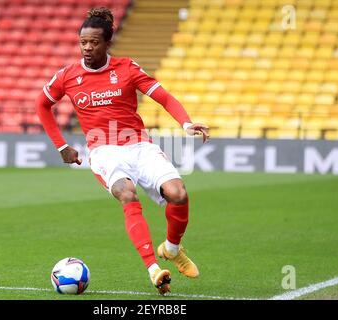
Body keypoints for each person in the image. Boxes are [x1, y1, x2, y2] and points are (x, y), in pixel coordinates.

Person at [36, 7, 209, 295]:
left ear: (107, 43)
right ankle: (154, 269)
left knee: (178, 194)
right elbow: (41, 105)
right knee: (127, 194)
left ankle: (172, 248)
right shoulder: (67, 76)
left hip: (140, 145)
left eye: (93, 42)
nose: (87, 48)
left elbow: (163, 96)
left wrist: (186, 122)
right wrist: (62, 146)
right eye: (82, 42)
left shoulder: (127, 68)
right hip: (104, 152)